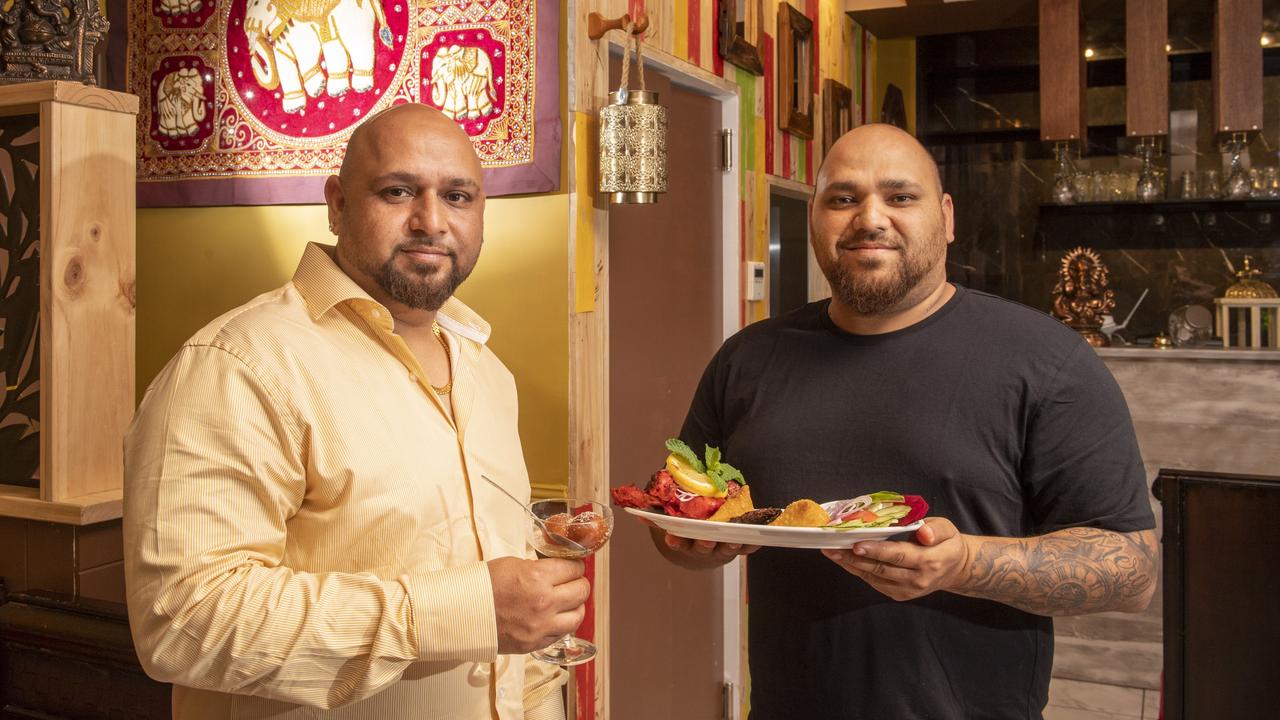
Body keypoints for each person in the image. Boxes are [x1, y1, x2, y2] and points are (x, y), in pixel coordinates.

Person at [650, 123, 1158, 719]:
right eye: (842, 198)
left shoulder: (1047, 362)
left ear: (946, 217)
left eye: (900, 197)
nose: (869, 218)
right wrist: (693, 545)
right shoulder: (747, 359)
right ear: (814, 216)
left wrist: (964, 563)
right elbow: (680, 522)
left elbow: (1132, 571)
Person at [123, 104, 588, 720]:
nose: (431, 221)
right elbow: (183, 620)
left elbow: (509, 640)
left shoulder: (488, 373)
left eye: (458, 196)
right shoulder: (239, 363)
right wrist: (464, 613)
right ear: (337, 203)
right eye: (397, 191)